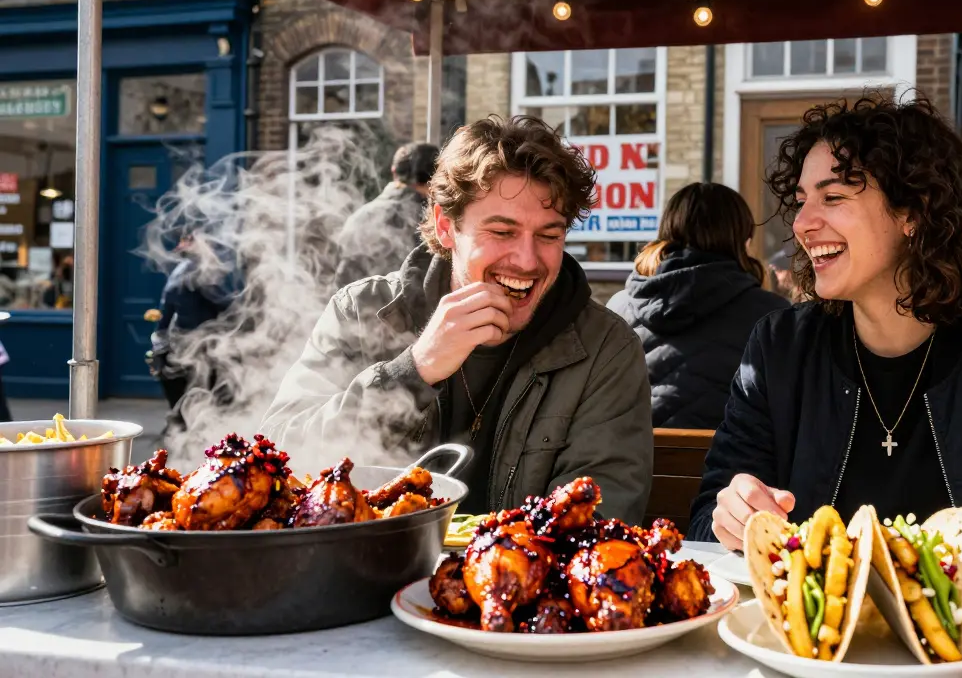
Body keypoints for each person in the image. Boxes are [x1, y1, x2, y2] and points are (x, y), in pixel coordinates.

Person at [687, 98, 962, 547]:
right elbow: (705, 522)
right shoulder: (779, 348)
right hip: (817, 618)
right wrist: (732, 518)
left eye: (833, 197)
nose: (801, 224)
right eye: (801, 202)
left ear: (913, 211)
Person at [263, 116, 653, 522]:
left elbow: (601, 515)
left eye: (549, 236)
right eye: (502, 232)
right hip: (365, 575)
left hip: (512, 582)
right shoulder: (361, 310)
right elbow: (282, 460)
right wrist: (412, 371)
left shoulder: (605, 347)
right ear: (447, 227)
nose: (527, 260)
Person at [607, 183, 790, 430]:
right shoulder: (772, 315)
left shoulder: (619, 308)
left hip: (634, 464)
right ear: (743, 241)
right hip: (731, 467)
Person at [147, 236, 240, 433]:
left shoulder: (186, 270)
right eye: (182, 240)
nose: (181, 245)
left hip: (187, 346)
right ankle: (191, 437)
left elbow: (167, 311)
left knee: (188, 400)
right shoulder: (196, 271)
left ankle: (182, 433)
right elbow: (226, 305)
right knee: (205, 399)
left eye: (187, 240)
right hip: (195, 346)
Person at [334, 141, 439, 287]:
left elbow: (341, 279)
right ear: (437, 177)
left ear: (394, 171)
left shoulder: (359, 218)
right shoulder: (435, 220)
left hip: (359, 306)